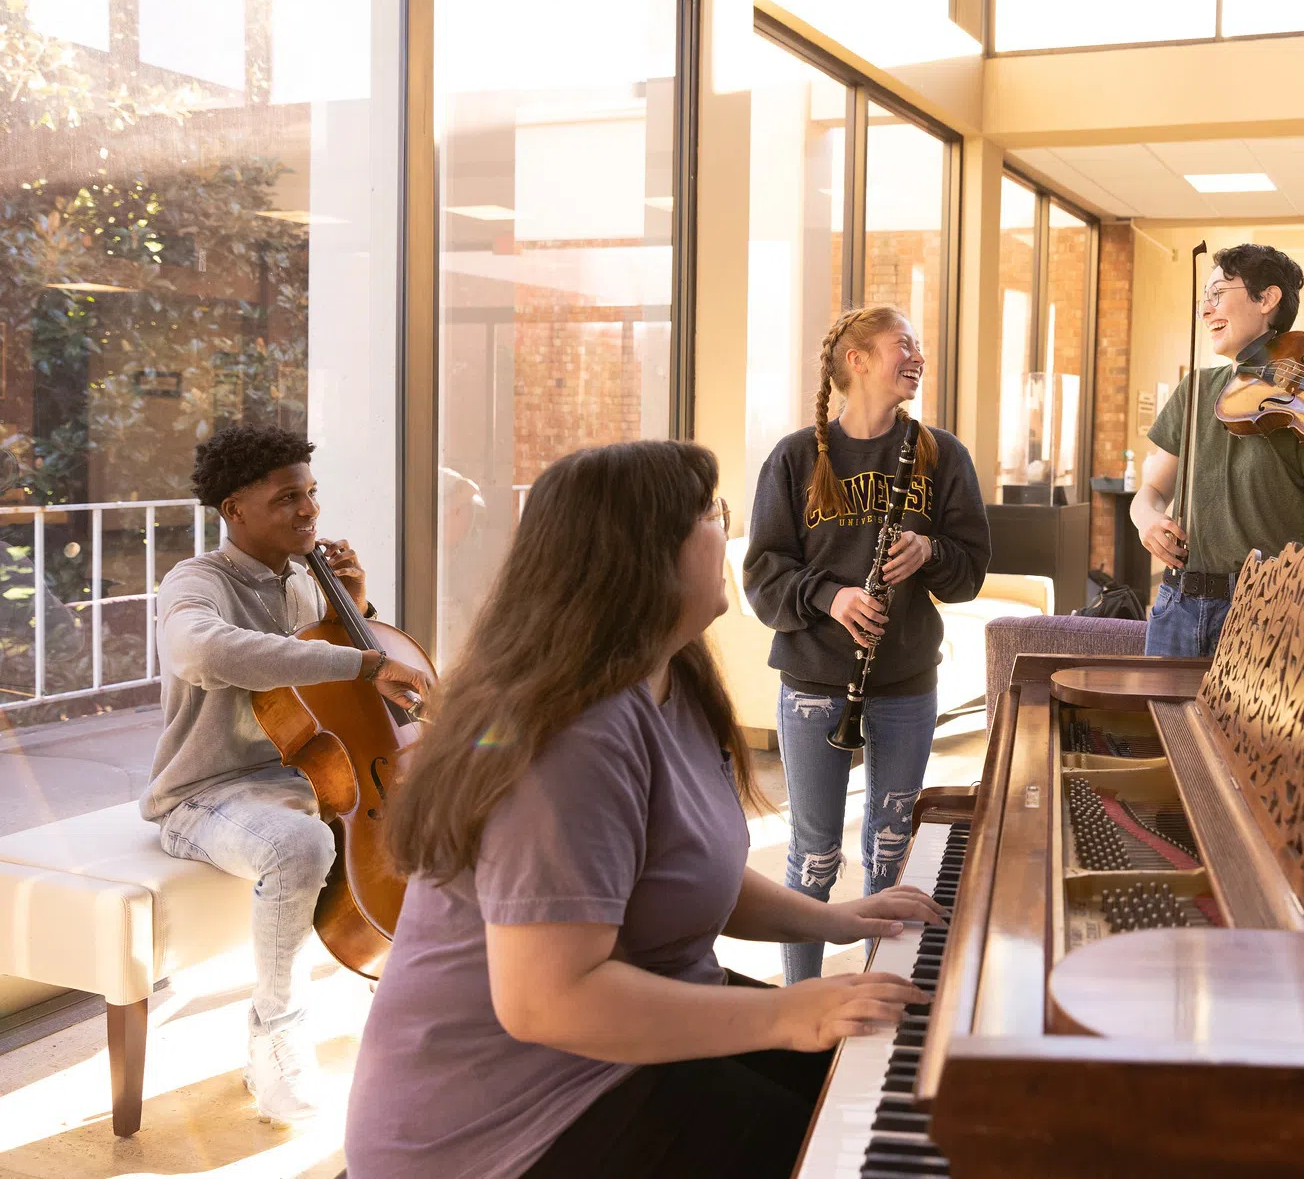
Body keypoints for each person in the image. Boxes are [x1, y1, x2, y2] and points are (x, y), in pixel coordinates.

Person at [345, 440, 941, 1179]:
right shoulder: (571, 735)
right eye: (712, 514)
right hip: (501, 1124)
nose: (726, 531)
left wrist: (836, 918)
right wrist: (793, 1012)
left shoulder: (672, 677)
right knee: (866, 1151)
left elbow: (682, 868)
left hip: (610, 1052)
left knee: (898, 1096)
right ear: (646, 555)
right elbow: (545, 1003)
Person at [144, 423, 429, 1123]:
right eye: (287, 498)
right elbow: (205, 653)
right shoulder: (195, 584)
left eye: (311, 494)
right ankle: (277, 1038)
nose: (308, 510)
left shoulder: (306, 587)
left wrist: (352, 612)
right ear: (234, 510)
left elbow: (343, 710)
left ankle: (429, 1004)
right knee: (297, 845)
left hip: (307, 781)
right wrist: (359, 658)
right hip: (206, 795)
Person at [744, 305, 991, 984]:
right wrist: (832, 597)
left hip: (905, 681)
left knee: (890, 856)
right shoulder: (796, 457)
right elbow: (763, 574)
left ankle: (877, 1003)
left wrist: (929, 551)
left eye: (919, 343)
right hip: (816, 682)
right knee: (814, 855)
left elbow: (968, 570)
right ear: (856, 360)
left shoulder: (941, 454)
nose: (917, 354)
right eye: (902, 343)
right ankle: (804, 999)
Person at [1131, 243, 1304, 657]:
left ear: (1267, 298)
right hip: (1177, 607)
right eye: (1202, 298)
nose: (1205, 310)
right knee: (1162, 723)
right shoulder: (1195, 391)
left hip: (1270, 612)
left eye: (1218, 293)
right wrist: (1147, 520)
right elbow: (1150, 493)